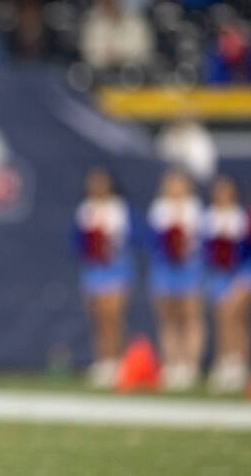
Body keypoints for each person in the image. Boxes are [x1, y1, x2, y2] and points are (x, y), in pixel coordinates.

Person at [72, 166, 133, 389]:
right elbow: (78, 242)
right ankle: (103, 360)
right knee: (98, 317)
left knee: (113, 316)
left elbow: (125, 240)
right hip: (93, 269)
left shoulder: (119, 209)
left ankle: (118, 360)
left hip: (115, 267)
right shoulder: (85, 210)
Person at [147, 167, 206, 391]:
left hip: (189, 267)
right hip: (165, 268)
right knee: (168, 316)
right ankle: (172, 363)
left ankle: (190, 364)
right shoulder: (159, 210)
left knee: (190, 313)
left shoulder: (196, 210)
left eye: (179, 183)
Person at [201, 175, 250, 393]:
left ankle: (238, 362)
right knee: (222, 318)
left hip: (242, 273)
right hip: (218, 275)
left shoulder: (242, 218)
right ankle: (225, 360)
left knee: (234, 315)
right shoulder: (209, 217)